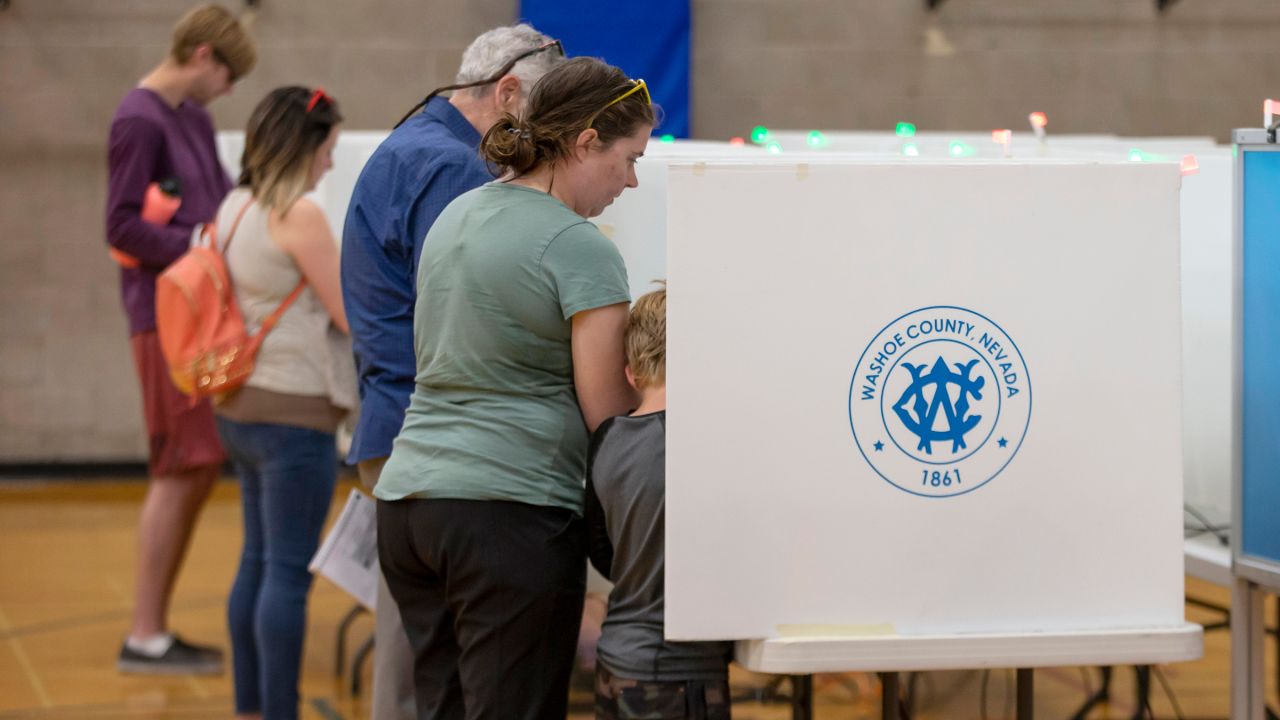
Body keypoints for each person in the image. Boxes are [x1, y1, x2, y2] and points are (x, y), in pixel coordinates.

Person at [374, 56, 656, 719]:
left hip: (409, 505)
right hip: (506, 513)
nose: (634, 180)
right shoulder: (579, 245)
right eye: (630, 158)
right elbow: (607, 418)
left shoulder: (457, 215)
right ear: (587, 143)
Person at [339, 24, 563, 720]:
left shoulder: (412, 146)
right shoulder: (454, 167)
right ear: (505, 92)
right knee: (431, 679)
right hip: (431, 435)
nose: (545, 136)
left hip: (400, 426)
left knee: (417, 669)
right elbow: (472, 309)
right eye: (542, 112)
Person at [106, 3, 255, 675]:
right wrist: (195, 242)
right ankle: (144, 635)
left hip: (203, 311)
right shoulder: (138, 118)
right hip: (164, 314)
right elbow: (121, 227)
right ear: (202, 55)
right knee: (178, 465)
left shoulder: (192, 116)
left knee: (198, 463)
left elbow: (220, 203)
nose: (228, 90)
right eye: (227, 75)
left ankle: (154, 630)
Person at [212, 86, 352, 720]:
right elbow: (352, 316)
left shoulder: (234, 205)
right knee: (288, 575)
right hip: (294, 414)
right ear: (306, 144)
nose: (329, 161)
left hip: (238, 408)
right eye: (327, 147)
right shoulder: (298, 215)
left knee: (258, 561)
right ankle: (279, 712)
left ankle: (252, 707)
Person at [585, 286, 734, 719]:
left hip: (615, 660)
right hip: (678, 673)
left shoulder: (606, 439)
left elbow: (601, 550)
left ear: (630, 374)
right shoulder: (706, 444)